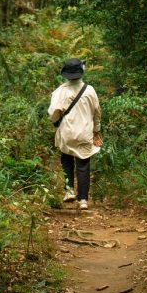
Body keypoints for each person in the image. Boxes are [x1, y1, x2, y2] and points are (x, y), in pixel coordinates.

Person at [48, 58, 102, 210]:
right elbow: (97, 113)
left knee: (66, 159)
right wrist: (96, 131)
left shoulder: (60, 91)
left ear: (65, 74)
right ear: (81, 72)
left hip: (66, 132)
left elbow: (53, 114)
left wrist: (57, 120)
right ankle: (83, 200)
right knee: (83, 164)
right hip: (85, 133)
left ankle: (69, 190)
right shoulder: (90, 90)